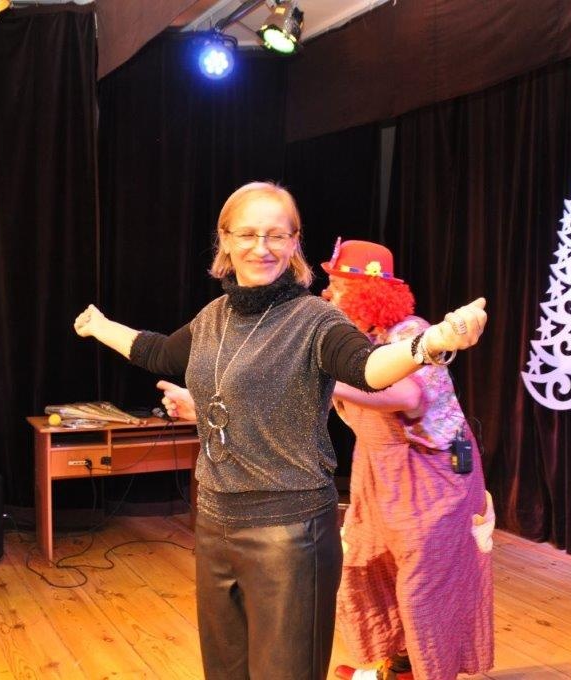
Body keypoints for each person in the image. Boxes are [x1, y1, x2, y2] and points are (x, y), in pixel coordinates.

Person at [72, 182, 487, 680]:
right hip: (217, 521)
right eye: (247, 234)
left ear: (294, 244)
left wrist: (431, 342)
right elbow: (160, 353)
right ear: (225, 241)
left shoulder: (315, 319)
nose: (261, 247)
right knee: (226, 672)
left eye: (276, 235)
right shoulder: (214, 317)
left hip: (289, 532)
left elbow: (368, 368)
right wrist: (100, 326)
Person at [323, 239, 495, 680]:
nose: (327, 293)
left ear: (365, 292)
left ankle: (430, 671)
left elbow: (407, 395)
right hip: (379, 471)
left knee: (425, 585)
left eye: (337, 285)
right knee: (367, 566)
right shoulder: (351, 341)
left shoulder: (410, 333)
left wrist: (325, 382)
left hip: (432, 474)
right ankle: (398, 666)